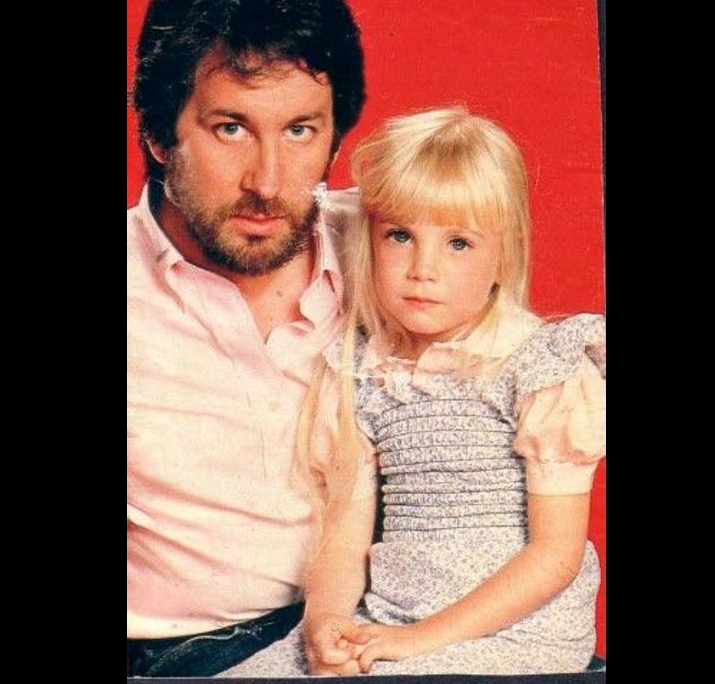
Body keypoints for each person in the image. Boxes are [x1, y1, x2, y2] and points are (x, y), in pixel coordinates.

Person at [223, 107, 606, 677]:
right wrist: (327, 621)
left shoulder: (538, 366)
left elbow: (555, 556)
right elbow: (345, 536)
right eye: (400, 236)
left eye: (459, 243)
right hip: (392, 616)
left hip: (513, 631)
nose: (422, 268)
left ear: (504, 253)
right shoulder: (364, 371)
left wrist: (416, 641)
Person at [126, 0, 366, 677]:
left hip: (378, 628)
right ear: (159, 134)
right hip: (186, 656)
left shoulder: (394, 249)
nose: (267, 181)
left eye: (300, 131)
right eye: (230, 128)